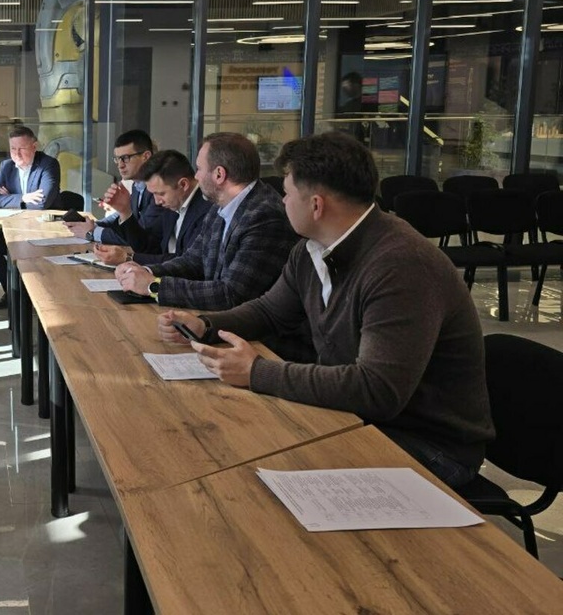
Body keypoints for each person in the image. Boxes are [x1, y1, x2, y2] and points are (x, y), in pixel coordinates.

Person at [157, 132, 494, 488]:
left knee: (250, 469)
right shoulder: (311, 249)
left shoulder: (401, 265)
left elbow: (377, 391)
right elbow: (269, 311)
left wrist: (257, 372)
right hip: (359, 415)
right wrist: (205, 324)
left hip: (427, 444)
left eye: (287, 193)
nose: (281, 201)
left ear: (316, 206)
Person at [115, 132, 296, 311]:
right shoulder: (220, 206)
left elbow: (231, 294)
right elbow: (193, 260)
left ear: (219, 174)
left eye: (199, 169)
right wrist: (147, 272)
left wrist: (153, 286)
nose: (196, 177)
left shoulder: (264, 216)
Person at [0, 125, 61, 307]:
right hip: (16, 227)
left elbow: (42, 203)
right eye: (13, 149)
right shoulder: (7, 166)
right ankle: (15, 294)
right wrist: (23, 198)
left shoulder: (48, 165)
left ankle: (34, 295)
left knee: (23, 252)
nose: (16, 154)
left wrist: (8, 198)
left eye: (22, 148)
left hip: (43, 229)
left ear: (34, 146)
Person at [93, 149, 213, 267]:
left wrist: (128, 258)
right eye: (153, 194)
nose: (157, 201)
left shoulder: (208, 211)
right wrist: (124, 211)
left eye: (160, 194)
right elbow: (149, 246)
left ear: (183, 184)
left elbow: (186, 261)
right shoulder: (173, 203)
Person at [63, 129, 171, 253]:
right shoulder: (137, 185)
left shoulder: (159, 191)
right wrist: (94, 225)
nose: (120, 165)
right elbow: (123, 218)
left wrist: (92, 232)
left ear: (146, 156)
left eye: (125, 158)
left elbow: (136, 234)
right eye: (117, 159)